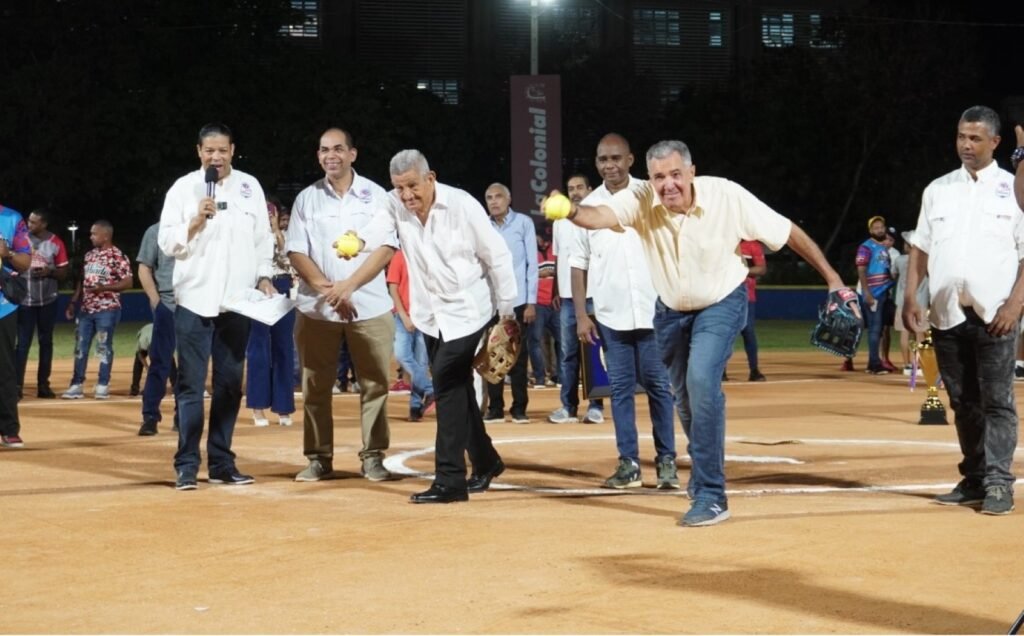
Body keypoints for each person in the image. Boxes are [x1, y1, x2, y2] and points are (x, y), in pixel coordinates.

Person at [558, 139, 855, 526]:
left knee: (700, 382)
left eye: (676, 174)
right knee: (684, 400)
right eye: (660, 176)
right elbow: (597, 216)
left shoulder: (727, 196)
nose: (668, 184)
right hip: (669, 312)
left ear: (692, 171)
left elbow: (787, 232)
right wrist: (571, 209)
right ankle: (703, 477)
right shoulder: (642, 199)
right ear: (649, 178)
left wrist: (832, 278)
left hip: (721, 302)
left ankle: (712, 494)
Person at [336, 149, 516, 504]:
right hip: (430, 315)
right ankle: (486, 461)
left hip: (468, 311)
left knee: (447, 385)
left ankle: (450, 480)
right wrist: (356, 242)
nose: (406, 196)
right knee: (460, 388)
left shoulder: (462, 206)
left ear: (430, 178)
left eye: (413, 186)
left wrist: (507, 312)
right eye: (400, 188)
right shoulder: (394, 204)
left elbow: (497, 255)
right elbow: (376, 230)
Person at [903, 105, 1024, 516]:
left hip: (996, 315)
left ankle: (997, 483)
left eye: (975, 138)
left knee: (997, 402)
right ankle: (973, 477)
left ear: (995, 142)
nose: (965, 145)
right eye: (960, 136)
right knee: (962, 401)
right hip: (947, 314)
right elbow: (919, 247)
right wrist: (910, 298)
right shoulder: (938, 189)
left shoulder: (1014, 190)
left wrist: (1015, 304)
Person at [158, 122, 275, 491]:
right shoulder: (182, 189)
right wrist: (193, 223)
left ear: (232, 150)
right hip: (195, 299)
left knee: (229, 386)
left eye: (222, 150)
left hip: (237, 300)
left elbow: (262, 238)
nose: (216, 156)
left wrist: (264, 275)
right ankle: (187, 464)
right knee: (191, 386)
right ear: (199, 152)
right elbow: (166, 242)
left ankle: (222, 462)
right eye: (209, 150)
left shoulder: (249, 186)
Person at [285, 127, 396, 483]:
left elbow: (386, 247)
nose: (329, 155)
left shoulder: (377, 196)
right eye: (322, 150)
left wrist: (350, 287)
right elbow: (296, 250)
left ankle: (374, 457)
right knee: (316, 385)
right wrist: (328, 289)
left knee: (376, 384)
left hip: (370, 304)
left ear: (352, 154)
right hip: (317, 308)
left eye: (337, 149)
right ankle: (318, 458)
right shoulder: (306, 199)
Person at [570, 133, 678, 490]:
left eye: (616, 158)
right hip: (611, 315)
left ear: (631, 160)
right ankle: (629, 463)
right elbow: (577, 263)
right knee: (619, 392)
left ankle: (666, 462)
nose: (609, 165)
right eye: (603, 160)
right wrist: (583, 315)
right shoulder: (588, 206)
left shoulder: (651, 194)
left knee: (660, 389)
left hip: (654, 310)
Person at [548, 174, 604, 425]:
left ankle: (596, 407)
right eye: (571, 189)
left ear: (590, 190)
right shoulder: (559, 221)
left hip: (592, 294)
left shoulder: (596, 217)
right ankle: (567, 406)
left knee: (593, 352)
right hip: (568, 298)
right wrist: (555, 291)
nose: (575, 192)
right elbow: (559, 257)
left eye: (580, 187)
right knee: (567, 353)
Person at [482, 182, 537, 425]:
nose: (493, 201)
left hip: (517, 300)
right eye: (489, 197)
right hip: (490, 302)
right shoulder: (482, 225)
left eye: (498, 197)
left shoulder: (523, 223)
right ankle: (494, 408)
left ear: (509, 199)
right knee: (492, 356)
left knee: (518, 357)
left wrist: (531, 302)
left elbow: (532, 265)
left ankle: (519, 408)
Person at [61, 220, 132, 400]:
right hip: (86, 309)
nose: (91, 236)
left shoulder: (118, 256)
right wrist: (73, 301)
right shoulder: (90, 255)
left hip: (107, 309)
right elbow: (83, 280)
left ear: (105, 235)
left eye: (94, 233)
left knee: (103, 346)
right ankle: (76, 384)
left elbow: (128, 282)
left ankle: (102, 385)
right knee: (80, 347)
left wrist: (104, 288)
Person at [245, 198, 296, 428]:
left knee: (284, 348)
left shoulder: (283, 235)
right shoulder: (249, 239)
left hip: (283, 288)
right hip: (257, 290)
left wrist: (276, 230)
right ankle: (258, 408)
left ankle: (283, 407)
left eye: (271, 215)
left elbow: (289, 255)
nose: (268, 218)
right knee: (258, 349)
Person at [16, 208, 69, 399]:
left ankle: (43, 385)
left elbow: (64, 272)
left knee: (46, 342)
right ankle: (16, 387)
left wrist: (49, 272)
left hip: (48, 300)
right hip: (25, 300)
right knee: (22, 344)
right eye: (29, 221)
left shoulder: (55, 243)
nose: (29, 225)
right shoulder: (21, 239)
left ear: (44, 224)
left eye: (34, 222)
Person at [136, 221, 178, 435]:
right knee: (160, 361)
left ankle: (184, 415)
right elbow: (144, 267)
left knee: (192, 365)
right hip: (167, 304)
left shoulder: (203, 226)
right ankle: (150, 416)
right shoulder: (155, 231)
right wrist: (155, 300)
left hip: (197, 305)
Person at [387, 248, 435, 421]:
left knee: (420, 363)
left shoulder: (429, 253)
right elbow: (393, 287)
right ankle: (431, 390)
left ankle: (415, 408)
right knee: (402, 355)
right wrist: (404, 316)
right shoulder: (400, 255)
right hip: (402, 316)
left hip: (425, 317)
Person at [0, 203, 31, 448]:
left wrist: (7, 253)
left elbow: (26, 261)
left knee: (5, 369)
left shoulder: (11, 218)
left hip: (2, 307)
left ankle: (9, 428)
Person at [855, 216, 896, 375]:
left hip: (885, 291)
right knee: (875, 328)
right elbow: (861, 269)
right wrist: (867, 292)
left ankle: (876, 361)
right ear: (871, 230)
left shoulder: (884, 247)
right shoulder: (866, 247)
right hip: (874, 292)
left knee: (880, 329)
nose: (879, 229)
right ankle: (873, 363)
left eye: (881, 226)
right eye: (876, 227)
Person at [891, 231, 928, 375]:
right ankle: (919, 365)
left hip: (903, 301)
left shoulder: (899, 260)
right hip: (922, 301)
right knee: (920, 334)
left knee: (904, 333)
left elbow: (892, 274)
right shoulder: (925, 259)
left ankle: (907, 365)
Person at [528, 221, 559, 388]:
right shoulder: (530, 253)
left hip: (555, 302)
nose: (540, 241)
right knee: (535, 341)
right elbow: (528, 273)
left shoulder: (556, 250)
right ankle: (540, 377)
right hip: (538, 302)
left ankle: (559, 377)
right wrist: (542, 273)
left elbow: (561, 272)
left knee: (561, 341)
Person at [737, 240, 767, 382]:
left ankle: (754, 370)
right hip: (722, 295)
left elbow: (761, 269)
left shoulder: (752, 245)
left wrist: (739, 272)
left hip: (747, 296)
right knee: (724, 333)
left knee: (748, 332)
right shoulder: (723, 238)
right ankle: (721, 371)